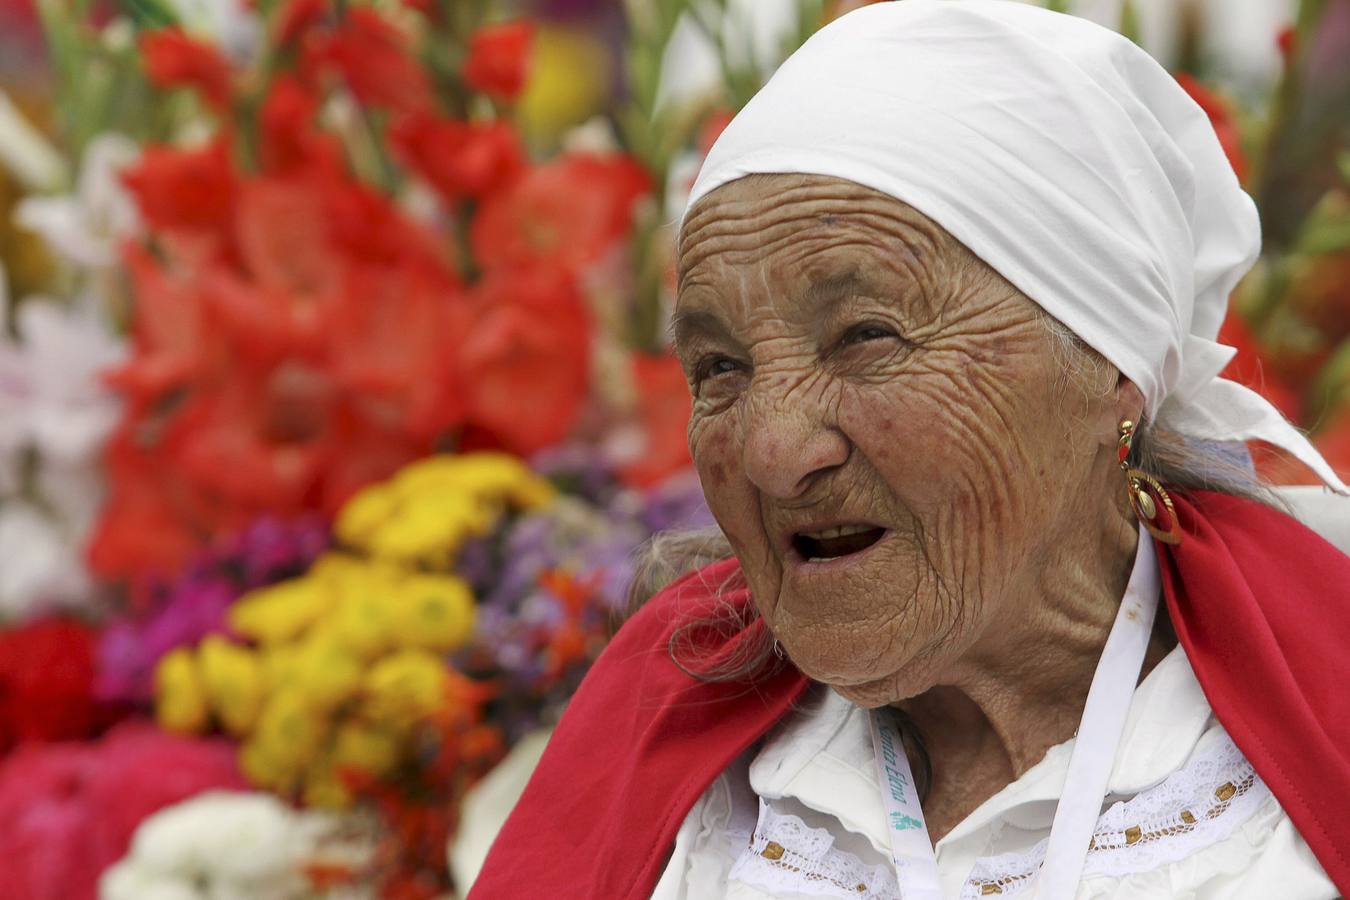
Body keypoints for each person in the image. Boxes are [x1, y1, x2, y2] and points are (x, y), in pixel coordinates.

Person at [469, 2, 1350, 897]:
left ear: (1109, 363)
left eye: (866, 337)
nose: (775, 452)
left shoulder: (1309, 734)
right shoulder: (658, 737)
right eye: (720, 367)